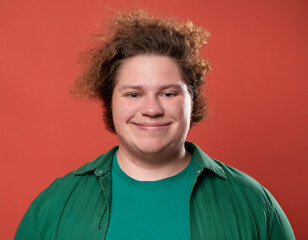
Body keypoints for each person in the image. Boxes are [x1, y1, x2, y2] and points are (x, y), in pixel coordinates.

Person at [15, 9, 295, 240]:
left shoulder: (254, 205)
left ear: (192, 101)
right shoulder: (53, 207)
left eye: (169, 93)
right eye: (134, 94)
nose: (151, 109)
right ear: (109, 102)